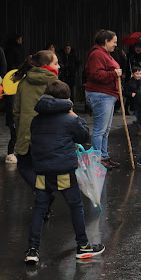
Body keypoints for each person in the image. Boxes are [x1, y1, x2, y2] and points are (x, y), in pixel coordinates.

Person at [24, 80, 105, 264]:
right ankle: (83, 246)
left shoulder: (36, 119)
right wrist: (75, 115)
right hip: (64, 171)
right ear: (66, 99)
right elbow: (84, 136)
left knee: (39, 209)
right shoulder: (70, 119)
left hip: (42, 171)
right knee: (75, 207)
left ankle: (32, 250)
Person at [13, 50, 60, 182]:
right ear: (46, 66)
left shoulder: (23, 83)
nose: (59, 66)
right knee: (47, 171)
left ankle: (40, 192)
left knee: (24, 166)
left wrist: (19, 132)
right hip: (50, 136)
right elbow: (66, 111)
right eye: (56, 63)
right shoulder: (56, 84)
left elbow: (16, 112)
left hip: (27, 134)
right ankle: (43, 192)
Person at [84, 30, 122, 170]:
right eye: (114, 42)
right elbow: (95, 74)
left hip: (107, 95)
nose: (115, 45)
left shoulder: (104, 54)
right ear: (106, 41)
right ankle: (96, 159)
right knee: (100, 130)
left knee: (105, 130)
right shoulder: (97, 54)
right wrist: (114, 73)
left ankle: (104, 156)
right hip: (101, 95)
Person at [123, 66, 141, 133]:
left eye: (140, 73)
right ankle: (140, 129)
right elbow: (125, 92)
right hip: (135, 102)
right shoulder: (129, 83)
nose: (138, 75)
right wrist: (130, 94)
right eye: (137, 73)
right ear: (132, 74)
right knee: (138, 115)